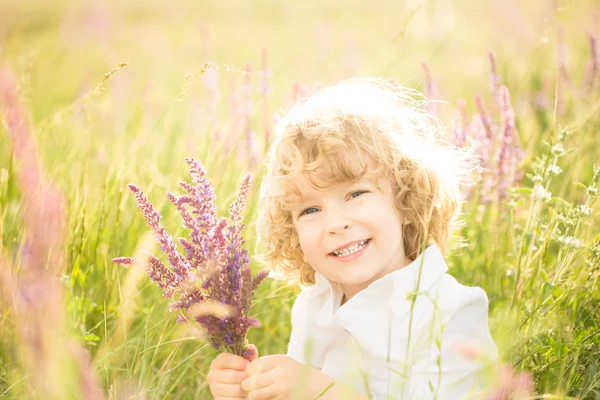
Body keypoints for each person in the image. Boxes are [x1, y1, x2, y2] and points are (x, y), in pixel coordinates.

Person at [207, 78, 498, 399]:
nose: (335, 223)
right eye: (310, 210)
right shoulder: (314, 305)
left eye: (356, 193)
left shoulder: (448, 312)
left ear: (405, 198)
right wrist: (247, 391)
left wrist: (324, 391)